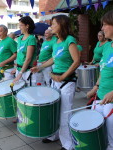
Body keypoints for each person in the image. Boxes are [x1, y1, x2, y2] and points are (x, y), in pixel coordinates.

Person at [31, 15, 80, 150]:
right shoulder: (57, 41)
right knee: (54, 110)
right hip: (55, 80)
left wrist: (63, 76)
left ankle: (69, 145)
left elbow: (76, 62)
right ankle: (54, 136)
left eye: (53, 24)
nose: (50, 27)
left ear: (61, 25)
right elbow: (53, 59)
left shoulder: (70, 40)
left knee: (65, 113)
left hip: (66, 82)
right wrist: (39, 67)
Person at [87, 10, 113, 150]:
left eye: (105, 25)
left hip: (111, 101)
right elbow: (103, 70)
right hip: (100, 97)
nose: (102, 28)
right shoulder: (108, 46)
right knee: (98, 135)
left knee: (111, 141)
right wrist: (95, 87)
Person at [12, 16, 37, 86]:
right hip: (19, 70)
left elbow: (28, 58)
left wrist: (20, 73)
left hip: (27, 72)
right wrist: (17, 69)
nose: (19, 27)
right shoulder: (19, 38)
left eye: (21, 25)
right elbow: (19, 55)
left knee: (29, 94)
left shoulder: (31, 38)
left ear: (27, 26)